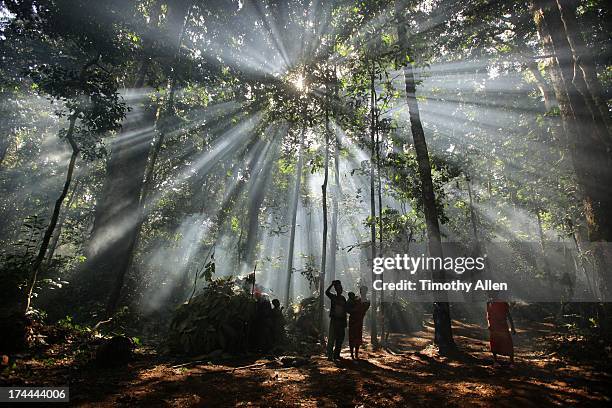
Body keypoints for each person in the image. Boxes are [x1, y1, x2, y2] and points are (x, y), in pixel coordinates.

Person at [486, 295, 516, 367]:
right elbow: (488, 315)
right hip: (494, 326)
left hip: (503, 325)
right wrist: (489, 324)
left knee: (508, 342)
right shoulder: (489, 303)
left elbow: (508, 315)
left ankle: (512, 362)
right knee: (494, 342)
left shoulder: (503, 303)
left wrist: (512, 327)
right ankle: (495, 361)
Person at [325, 280, 347, 361]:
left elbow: (345, 310)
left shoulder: (343, 298)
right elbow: (326, 292)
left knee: (340, 339)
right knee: (332, 338)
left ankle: (336, 355)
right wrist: (331, 284)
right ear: (336, 290)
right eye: (338, 288)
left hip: (341, 321)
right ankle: (330, 355)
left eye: (340, 288)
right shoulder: (333, 297)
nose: (340, 290)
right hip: (334, 320)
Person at [347, 287, 370, 359]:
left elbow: (363, 310)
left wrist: (355, 309)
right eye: (361, 291)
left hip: (359, 321)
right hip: (353, 321)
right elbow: (348, 307)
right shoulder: (356, 298)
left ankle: (356, 354)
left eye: (364, 291)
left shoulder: (367, 301)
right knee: (352, 337)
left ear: (366, 292)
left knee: (358, 338)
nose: (362, 292)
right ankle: (352, 354)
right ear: (360, 291)